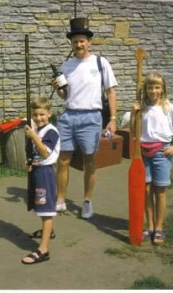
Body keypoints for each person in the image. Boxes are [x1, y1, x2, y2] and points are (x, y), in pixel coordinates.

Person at [53, 17, 118, 219]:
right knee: (63, 161)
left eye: (82, 41)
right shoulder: (66, 66)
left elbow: (111, 91)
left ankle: (87, 201)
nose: (79, 44)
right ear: (71, 44)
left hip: (91, 118)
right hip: (68, 117)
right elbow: (65, 96)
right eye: (75, 41)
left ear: (89, 42)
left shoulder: (100, 63)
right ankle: (60, 200)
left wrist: (113, 118)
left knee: (90, 162)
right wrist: (58, 90)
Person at [133, 72, 173, 244]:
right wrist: (134, 113)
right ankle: (150, 227)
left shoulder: (170, 108)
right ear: (145, 89)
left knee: (159, 191)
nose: (153, 91)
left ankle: (159, 228)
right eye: (150, 87)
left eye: (157, 87)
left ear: (163, 89)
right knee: (145, 191)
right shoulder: (142, 108)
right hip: (142, 153)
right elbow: (133, 131)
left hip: (161, 153)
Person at [21, 97, 60, 264]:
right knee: (39, 204)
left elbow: (45, 153)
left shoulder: (51, 131)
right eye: (35, 115)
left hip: (46, 173)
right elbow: (36, 154)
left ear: (49, 114)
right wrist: (30, 161)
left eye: (42, 114)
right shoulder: (37, 130)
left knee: (46, 209)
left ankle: (43, 250)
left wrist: (33, 136)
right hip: (37, 170)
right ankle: (47, 231)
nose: (38, 118)